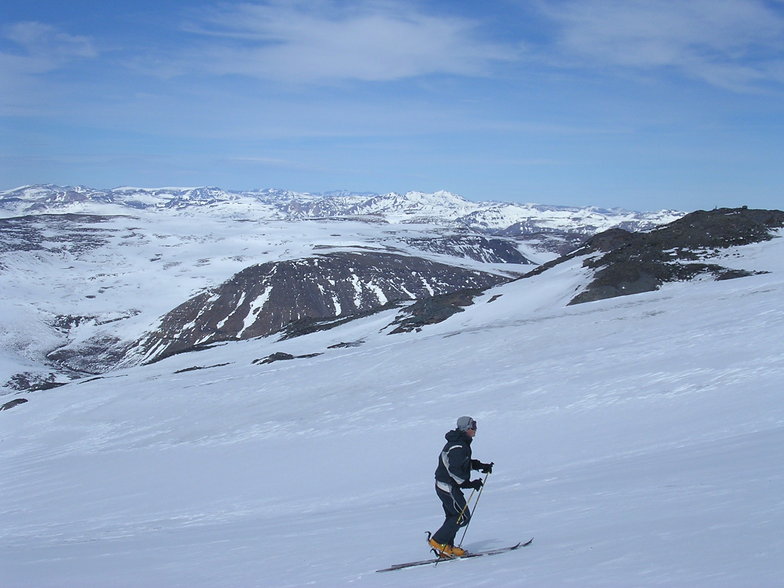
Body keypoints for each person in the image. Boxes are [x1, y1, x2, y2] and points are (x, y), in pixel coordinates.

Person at [428, 416, 493, 557]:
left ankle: (446, 547)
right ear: (466, 429)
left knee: (454, 515)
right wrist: (469, 484)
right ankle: (438, 541)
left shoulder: (460, 443)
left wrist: (481, 466)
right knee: (462, 516)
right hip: (447, 485)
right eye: (473, 427)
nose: (475, 430)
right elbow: (454, 470)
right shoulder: (458, 446)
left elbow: (463, 463)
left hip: (446, 485)